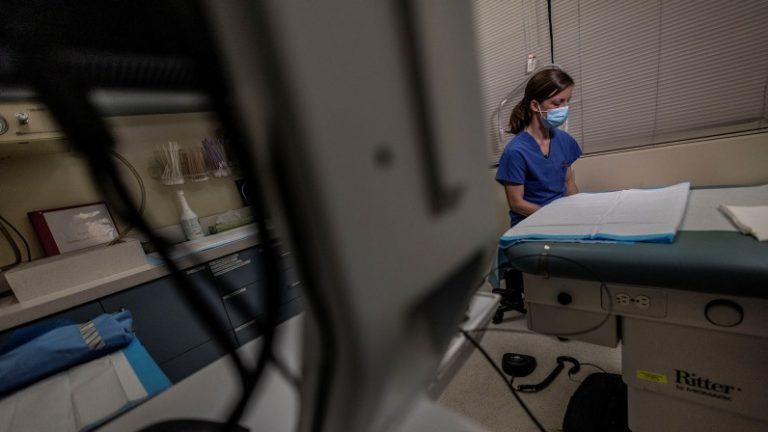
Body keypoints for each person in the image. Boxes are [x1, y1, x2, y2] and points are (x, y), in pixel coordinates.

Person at [496, 67, 582, 227]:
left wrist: (576, 212)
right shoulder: (515, 152)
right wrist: (554, 217)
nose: (565, 108)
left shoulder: (564, 140)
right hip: (530, 224)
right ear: (535, 105)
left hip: (561, 219)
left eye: (567, 101)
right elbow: (517, 204)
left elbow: (568, 182)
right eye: (558, 102)